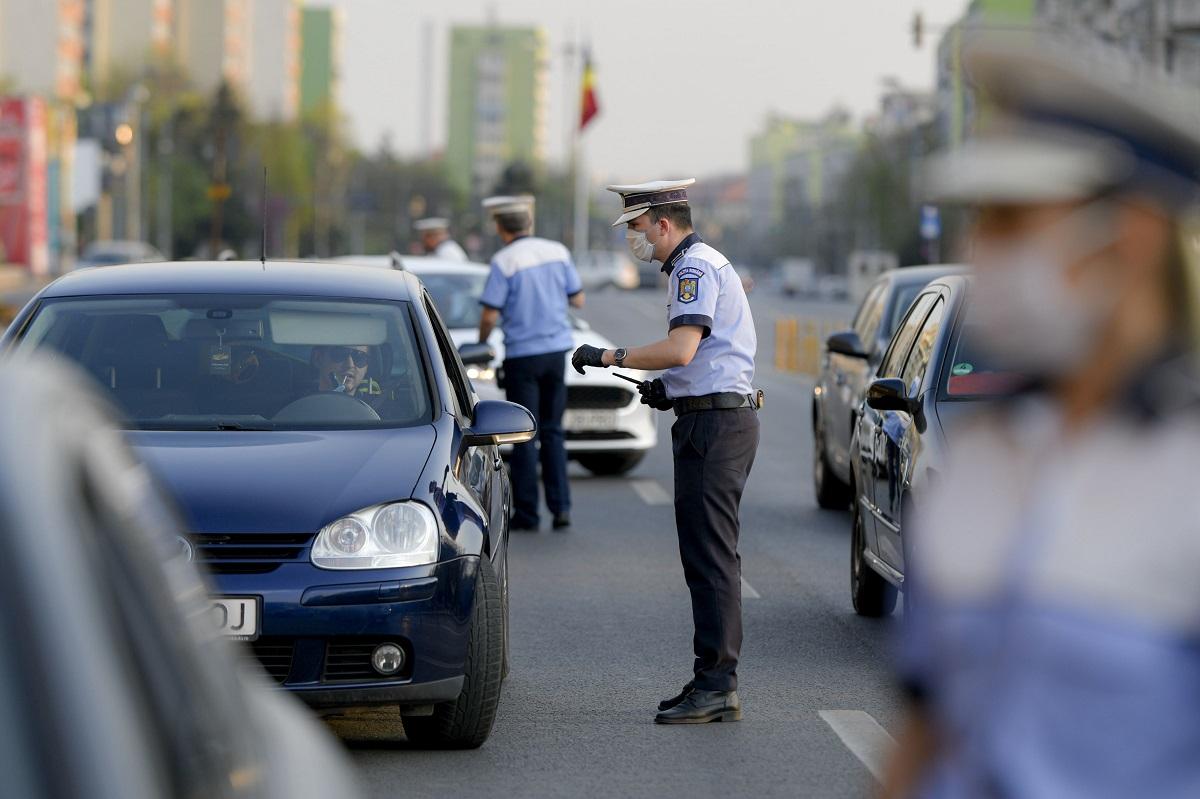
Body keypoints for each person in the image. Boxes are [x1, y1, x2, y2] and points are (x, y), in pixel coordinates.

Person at [882, 28, 1200, 798]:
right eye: (983, 219)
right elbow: (926, 731)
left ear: (1130, 235)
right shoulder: (978, 462)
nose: (981, 248)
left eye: (1011, 221)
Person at [572, 178, 759, 724]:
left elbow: (682, 348)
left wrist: (610, 355)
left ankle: (718, 684)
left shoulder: (693, 267)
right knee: (705, 557)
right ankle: (710, 679)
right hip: (712, 418)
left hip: (717, 426)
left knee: (712, 559)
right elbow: (700, 357)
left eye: (635, 227)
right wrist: (670, 389)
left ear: (662, 222)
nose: (634, 238)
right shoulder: (696, 264)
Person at [478, 195, 584, 531]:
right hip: (556, 354)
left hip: (522, 355)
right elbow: (578, 298)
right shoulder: (558, 252)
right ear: (528, 224)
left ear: (500, 227)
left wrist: (481, 343)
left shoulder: (503, 261)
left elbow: (490, 312)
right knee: (553, 431)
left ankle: (527, 513)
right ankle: (561, 508)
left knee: (525, 433)